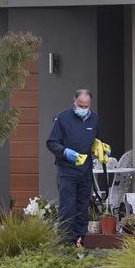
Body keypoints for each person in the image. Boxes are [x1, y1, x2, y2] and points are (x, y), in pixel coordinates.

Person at [46, 89, 100, 247]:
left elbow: (98, 140)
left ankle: (80, 240)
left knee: (83, 208)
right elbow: (51, 142)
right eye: (80, 105)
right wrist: (64, 151)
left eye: (86, 106)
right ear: (74, 102)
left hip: (85, 171)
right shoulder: (62, 118)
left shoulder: (94, 119)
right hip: (67, 171)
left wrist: (101, 149)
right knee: (68, 208)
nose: (83, 109)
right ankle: (65, 244)